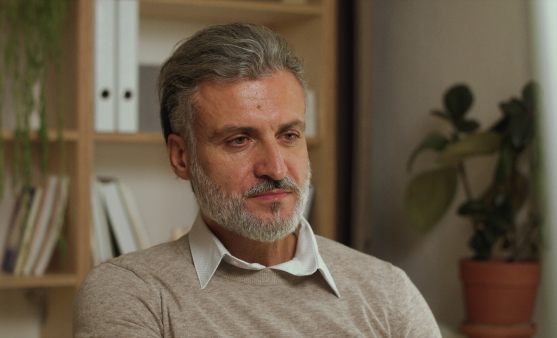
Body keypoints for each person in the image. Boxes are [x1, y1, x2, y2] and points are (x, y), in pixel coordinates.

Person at [74, 23, 441, 337]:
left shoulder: (388, 291)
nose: (277, 168)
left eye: (289, 135)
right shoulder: (132, 292)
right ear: (181, 157)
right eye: (239, 140)